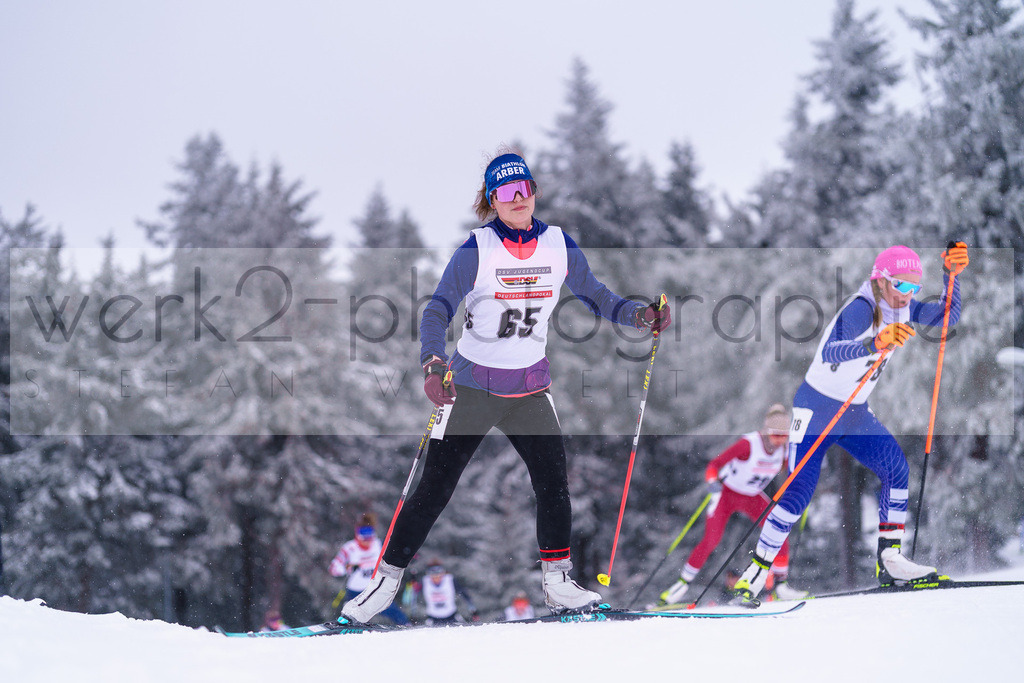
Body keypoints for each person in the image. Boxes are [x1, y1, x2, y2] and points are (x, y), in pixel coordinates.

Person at [341, 150, 672, 623]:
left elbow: (596, 296)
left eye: (524, 189)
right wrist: (433, 365)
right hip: (471, 387)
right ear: (492, 200)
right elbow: (438, 310)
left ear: (534, 193)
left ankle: (558, 583)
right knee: (434, 489)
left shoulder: (559, 245)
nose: (517, 199)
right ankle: (383, 585)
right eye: (506, 192)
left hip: (530, 389)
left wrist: (639, 315)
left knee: (554, 483)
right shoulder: (477, 249)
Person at [733, 243, 968, 603]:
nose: (908, 295)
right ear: (881, 281)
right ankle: (756, 572)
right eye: (902, 286)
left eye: (914, 288)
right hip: (815, 409)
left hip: (854, 412)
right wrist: (876, 342)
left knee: (896, 469)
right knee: (797, 493)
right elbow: (831, 350)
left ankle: (890, 559)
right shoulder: (862, 308)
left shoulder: (902, 308)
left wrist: (951, 278)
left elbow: (945, 318)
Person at [658, 404, 807, 606]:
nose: (780, 440)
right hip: (727, 494)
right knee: (711, 540)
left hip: (753, 497)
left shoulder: (786, 450)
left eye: (784, 436)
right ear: (767, 432)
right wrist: (712, 482)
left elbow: (793, 470)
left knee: (779, 528)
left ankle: (781, 585)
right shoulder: (749, 444)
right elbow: (714, 465)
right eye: (776, 435)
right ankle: (681, 585)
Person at [329, 513, 410, 625]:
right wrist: (346, 568)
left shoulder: (379, 545)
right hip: (355, 592)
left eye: (370, 535)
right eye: (363, 536)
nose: (367, 541)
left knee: (393, 611)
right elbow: (333, 568)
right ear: (357, 534)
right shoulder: (349, 548)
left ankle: (406, 627)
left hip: (374, 589)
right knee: (350, 616)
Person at [414, 559, 478, 626]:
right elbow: (413, 595)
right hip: (433, 618)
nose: (436, 578)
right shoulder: (424, 581)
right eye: (433, 576)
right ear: (429, 575)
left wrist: (473, 610)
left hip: (452, 616)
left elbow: (463, 593)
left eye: (438, 575)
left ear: (442, 573)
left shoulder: (450, 579)